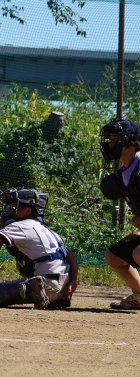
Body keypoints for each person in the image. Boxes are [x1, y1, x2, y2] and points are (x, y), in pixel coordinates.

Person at [99, 118, 140, 309]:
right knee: (114, 256)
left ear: (131, 142)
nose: (110, 144)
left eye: (116, 139)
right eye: (109, 139)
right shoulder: (125, 170)